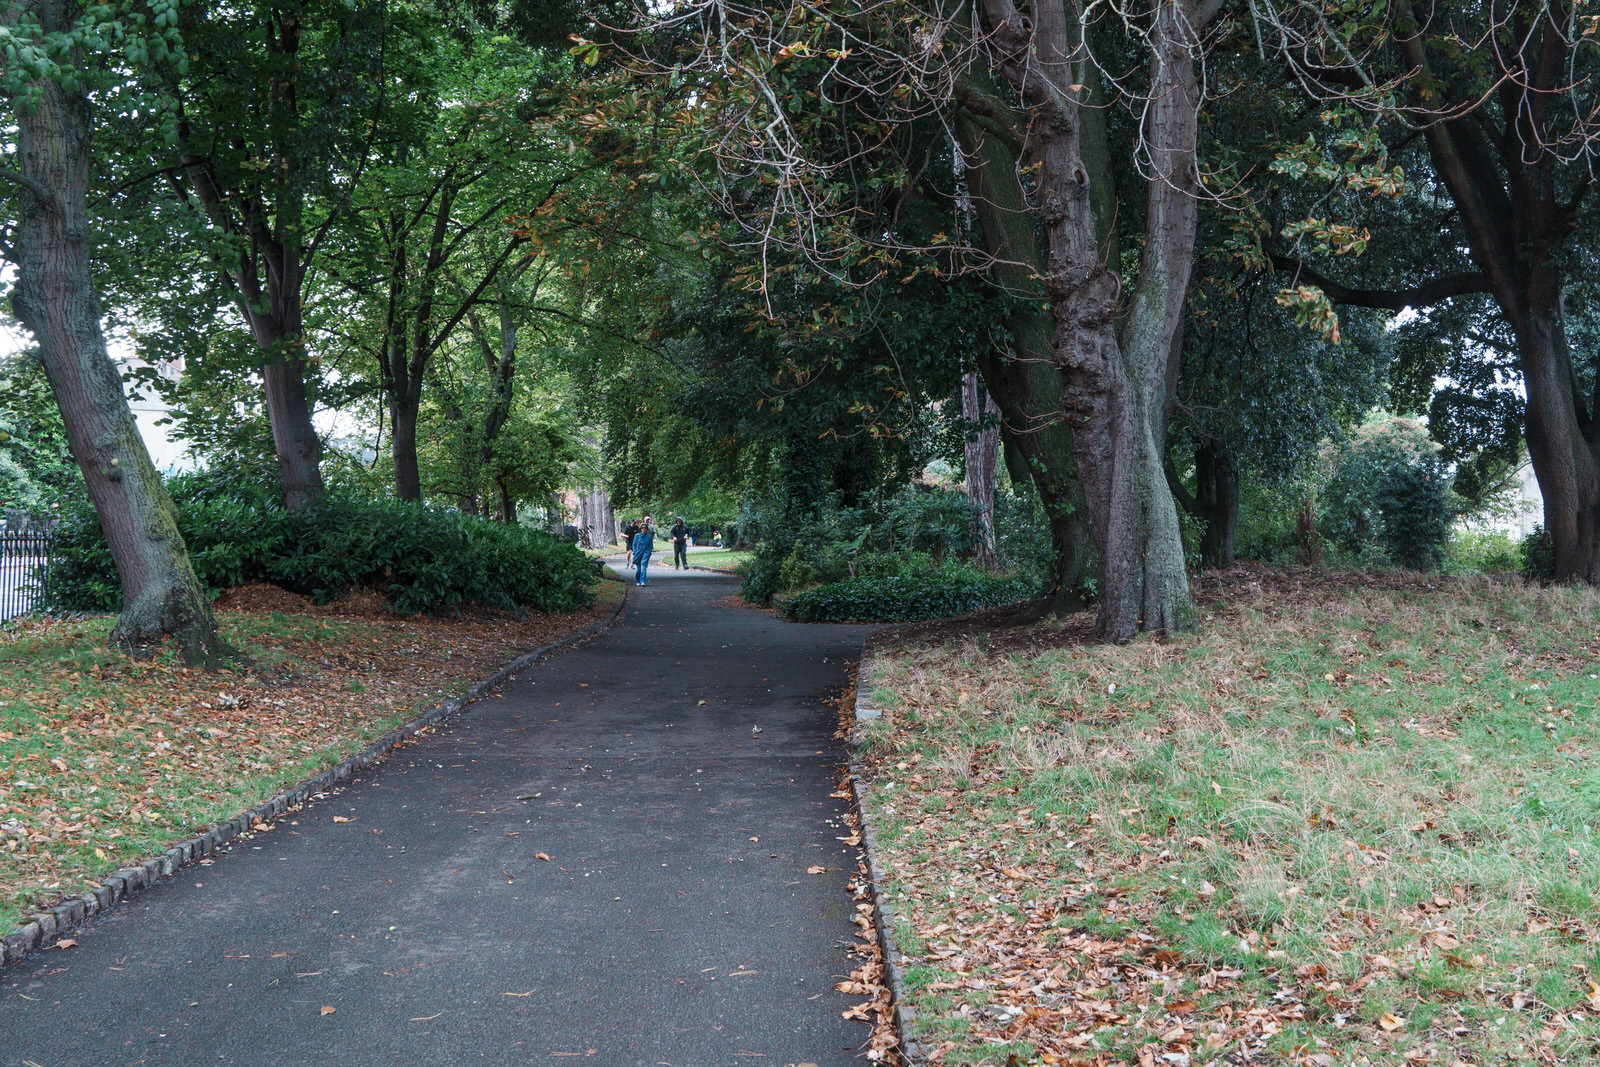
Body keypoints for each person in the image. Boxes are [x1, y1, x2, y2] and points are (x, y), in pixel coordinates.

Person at [631, 518, 655, 585]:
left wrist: (648, 552)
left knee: (643, 566)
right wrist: (634, 552)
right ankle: (638, 580)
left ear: (647, 529)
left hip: (645, 553)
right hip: (638, 553)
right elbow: (634, 544)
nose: (643, 529)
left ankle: (643, 581)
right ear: (640, 528)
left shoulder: (649, 536)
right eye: (642, 528)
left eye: (645, 528)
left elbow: (651, 546)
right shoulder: (637, 536)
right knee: (638, 568)